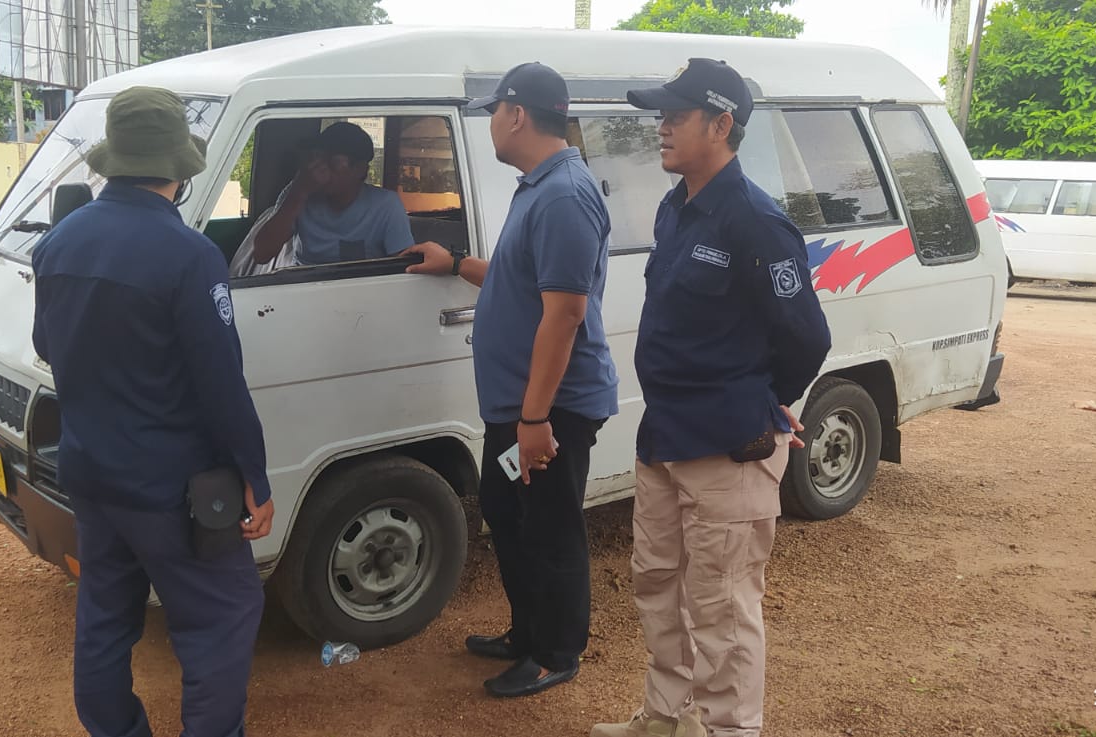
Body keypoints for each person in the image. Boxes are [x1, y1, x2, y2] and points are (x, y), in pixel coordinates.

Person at [591, 59, 832, 737]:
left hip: (729, 447)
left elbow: (806, 337)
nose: (660, 127)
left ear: (721, 125)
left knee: (723, 608)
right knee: (658, 587)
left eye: (675, 116)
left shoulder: (757, 222)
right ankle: (665, 718)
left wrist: (765, 398)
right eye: (660, 115)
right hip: (665, 438)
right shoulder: (678, 207)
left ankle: (728, 729)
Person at [31, 86, 275, 737]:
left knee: (106, 615)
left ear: (114, 161)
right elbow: (221, 381)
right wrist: (255, 473)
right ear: (178, 168)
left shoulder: (59, 243)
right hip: (172, 489)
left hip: (90, 476)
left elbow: (46, 346)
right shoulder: (189, 256)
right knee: (223, 612)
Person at [404, 62, 619, 699]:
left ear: (517, 114)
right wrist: (456, 264)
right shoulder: (538, 186)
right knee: (508, 512)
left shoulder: (563, 194)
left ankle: (556, 652)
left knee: (549, 527)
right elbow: (521, 280)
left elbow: (565, 312)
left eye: (495, 111)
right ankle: (527, 633)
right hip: (519, 405)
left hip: (551, 408)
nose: (492, 122)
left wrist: (534, 421)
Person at [231, 121, 415, 276]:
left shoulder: (386, 205)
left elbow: (404, 268)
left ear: (360, 170)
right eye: (318, 159)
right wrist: (299, 192)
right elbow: (262, 254)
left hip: (362, 292)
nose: (321, 169)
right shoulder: (298, 193)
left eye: (333, 163)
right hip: (305, 285)